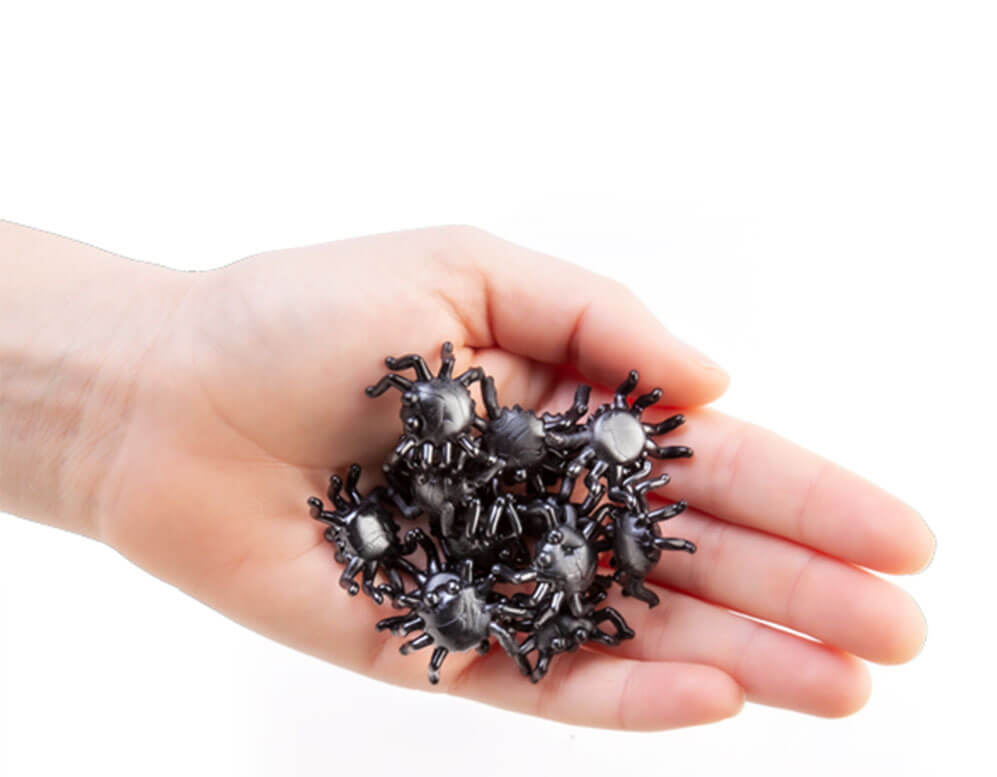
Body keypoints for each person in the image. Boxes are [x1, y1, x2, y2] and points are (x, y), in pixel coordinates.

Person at [0, 221, 932, 730]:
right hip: (483, 519)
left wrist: (128, 386)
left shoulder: (538, 518)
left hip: (519, 512)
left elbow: (520, 524)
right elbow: (441, 499)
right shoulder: (448, 488)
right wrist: (144, 375)